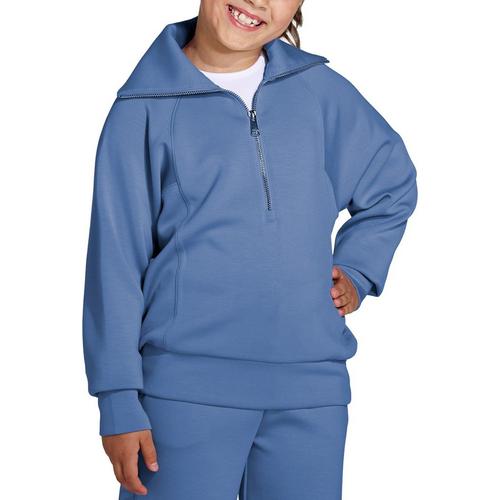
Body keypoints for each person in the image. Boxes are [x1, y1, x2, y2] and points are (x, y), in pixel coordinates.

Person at [82, 1, 418, 498]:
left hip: (311, 391)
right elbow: (114, 262)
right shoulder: (142, 108)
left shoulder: (320, 91)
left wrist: (357, 268)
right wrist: (117, 400)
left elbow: (391, 183)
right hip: (182, 394)